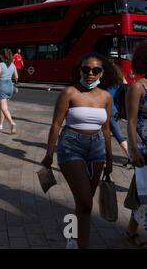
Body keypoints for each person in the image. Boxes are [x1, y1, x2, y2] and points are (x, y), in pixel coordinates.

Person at [41, 52, 116, 249]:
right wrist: (49, 154)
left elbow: (107, 129)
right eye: (86, 69)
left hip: (97, 148)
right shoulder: (69, 93)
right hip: (71, 146)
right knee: (85, 201)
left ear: (102, 73)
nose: (90, 73)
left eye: (95, 70)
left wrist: (110, 158)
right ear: (80, 70)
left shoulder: (106, 97)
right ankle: (81, 244)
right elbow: (56, 125)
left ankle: (72, 237)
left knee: (83, 202)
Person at [125, 43, 147, 249]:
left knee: (142, 190)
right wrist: (134, 149)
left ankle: (131, 229)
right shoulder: (137, 87)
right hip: (144, 147)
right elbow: (131, 121)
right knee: (144, 189)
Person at [104, 67, 131, 168]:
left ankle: (131, 157)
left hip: (108, 109)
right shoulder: (121, 79)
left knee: (118, 134)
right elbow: (127, 87)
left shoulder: (105, 81)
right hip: (116, 110)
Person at [0, 48, 18, 134]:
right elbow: (16, 77)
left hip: (2, 86)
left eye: (0, 55)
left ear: (3, 56)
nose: (0, 57)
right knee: (4, 107)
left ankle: (12, 123)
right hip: (10, 86)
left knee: (4, 107)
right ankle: (0, 124)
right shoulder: (13, 65)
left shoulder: (0, 64)